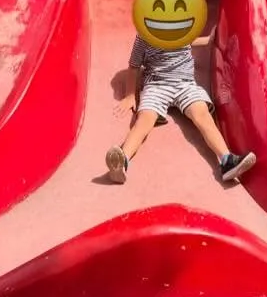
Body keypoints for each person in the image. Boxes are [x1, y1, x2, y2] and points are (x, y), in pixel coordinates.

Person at [104, 34, 257, 186]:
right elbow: (134, 65)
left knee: (202, 114)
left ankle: (227, 161)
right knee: (145, 119)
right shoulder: (145, 34)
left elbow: (188, 39)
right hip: (157, 85)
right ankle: (122, 160)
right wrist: (130, 95)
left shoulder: (181, 26)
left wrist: (209, 39)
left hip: (185, 85)